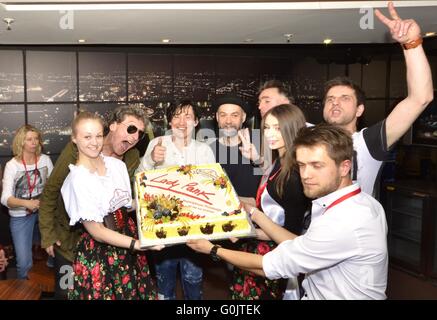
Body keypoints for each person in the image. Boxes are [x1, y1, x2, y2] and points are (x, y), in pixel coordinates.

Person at [187, 124, 388, 300]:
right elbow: (299, 244)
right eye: (301, 165)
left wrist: (212, 249)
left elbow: (266, 266)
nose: (306, 175)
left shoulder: (343, 221)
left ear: (345, 167)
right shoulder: (362, 203)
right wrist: (253, 212)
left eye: (317, 165)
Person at [39, 104, 148, 299]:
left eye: (139, 134)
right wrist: (48, 233)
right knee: (69, 290)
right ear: (113, 125)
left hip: (119, 241)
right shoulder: (75, 154)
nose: (134, 137)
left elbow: (121, 202)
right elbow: (51, 190)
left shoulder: (130, 157)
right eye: (131, 129)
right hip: (71, 239)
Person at [229, 104, 310, 300]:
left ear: (292, 129)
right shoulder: (280, 161)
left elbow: (291, 237)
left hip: (276, 259)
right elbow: (265, 204)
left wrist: (248, 231)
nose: (270, 134)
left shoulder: (295, 176)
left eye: (278, 128)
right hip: (261, 249)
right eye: (267, 127)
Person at [136, 100, 215, 300]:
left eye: (187, 116)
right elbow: (139, 179)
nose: (182, 121)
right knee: (165, 282)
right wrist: (151, 160)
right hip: (164, 227)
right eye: (176, 116)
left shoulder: (204, 150)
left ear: (196, 122)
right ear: (169, 121)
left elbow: (212, 189)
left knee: (193, 282)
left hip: (195, 229)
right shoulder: (157, 143)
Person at [1, 125, 53, 279]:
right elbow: (5, 199)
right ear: (21, 142)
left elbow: (53, 187)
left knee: (56, 252)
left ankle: (55, 286)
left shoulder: (45, 160)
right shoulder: (12, 165)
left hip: (44, 212)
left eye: (36, 138)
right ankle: (25, 292)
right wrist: (27, 204)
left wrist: (44, 203)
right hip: (21, 215)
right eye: (29, 139)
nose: (34, 142)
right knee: (24, 264)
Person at [210, 94, 261, 198]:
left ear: (243, 117)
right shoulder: (209, 149)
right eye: (223, 115)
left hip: (255, 212)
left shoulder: (259, 141)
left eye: (234, 115)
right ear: (217, 117)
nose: (228, 121)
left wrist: (257, 159)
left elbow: (275, 177)